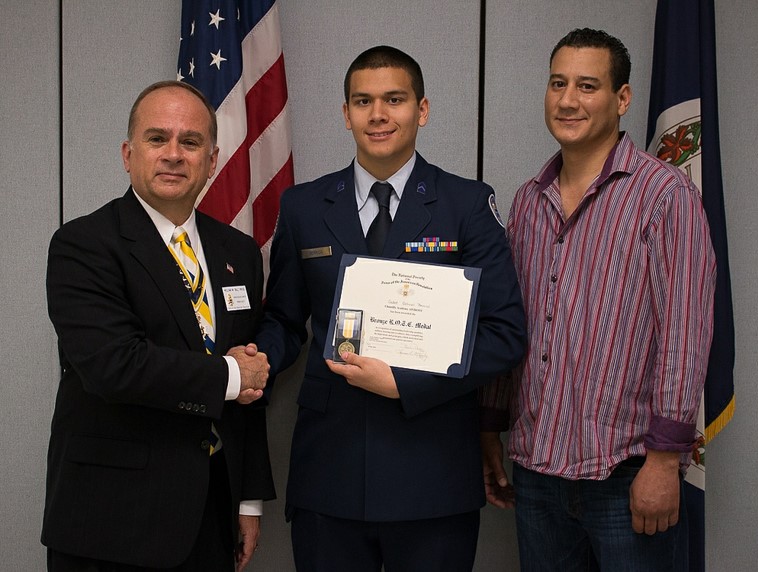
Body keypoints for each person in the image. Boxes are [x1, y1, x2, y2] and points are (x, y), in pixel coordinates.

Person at [254, 45, 526, 571]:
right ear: (346, 113)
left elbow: (504, 332)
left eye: (394, 99)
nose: (378, 115)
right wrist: (257, 358)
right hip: (328, 475)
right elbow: (285, 321)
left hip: (431, 473)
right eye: (363, 101)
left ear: (421, 110)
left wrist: (408, 382)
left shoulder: (465, 204)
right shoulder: (304, 206)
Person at [480, 28, 717, 571]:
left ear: (622, 98)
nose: (568, 100)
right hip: (536, 474)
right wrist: (490, 425)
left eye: (588, 86)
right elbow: (509, 319)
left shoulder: (664, 195)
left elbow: (685, 333)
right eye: (558, 83)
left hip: (628, 475)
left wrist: (664, 461)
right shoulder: (527, 201)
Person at [41, 81, 275, 572]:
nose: (173, 154)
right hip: (112, 523)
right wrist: (232, 377)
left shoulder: (238, 253)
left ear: (212, 161)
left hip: (213, 516)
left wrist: (248, 499)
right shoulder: (84, 245)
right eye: (156, 139)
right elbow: (114, 366)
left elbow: (248, 371)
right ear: (128, 154)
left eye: (190, 143)